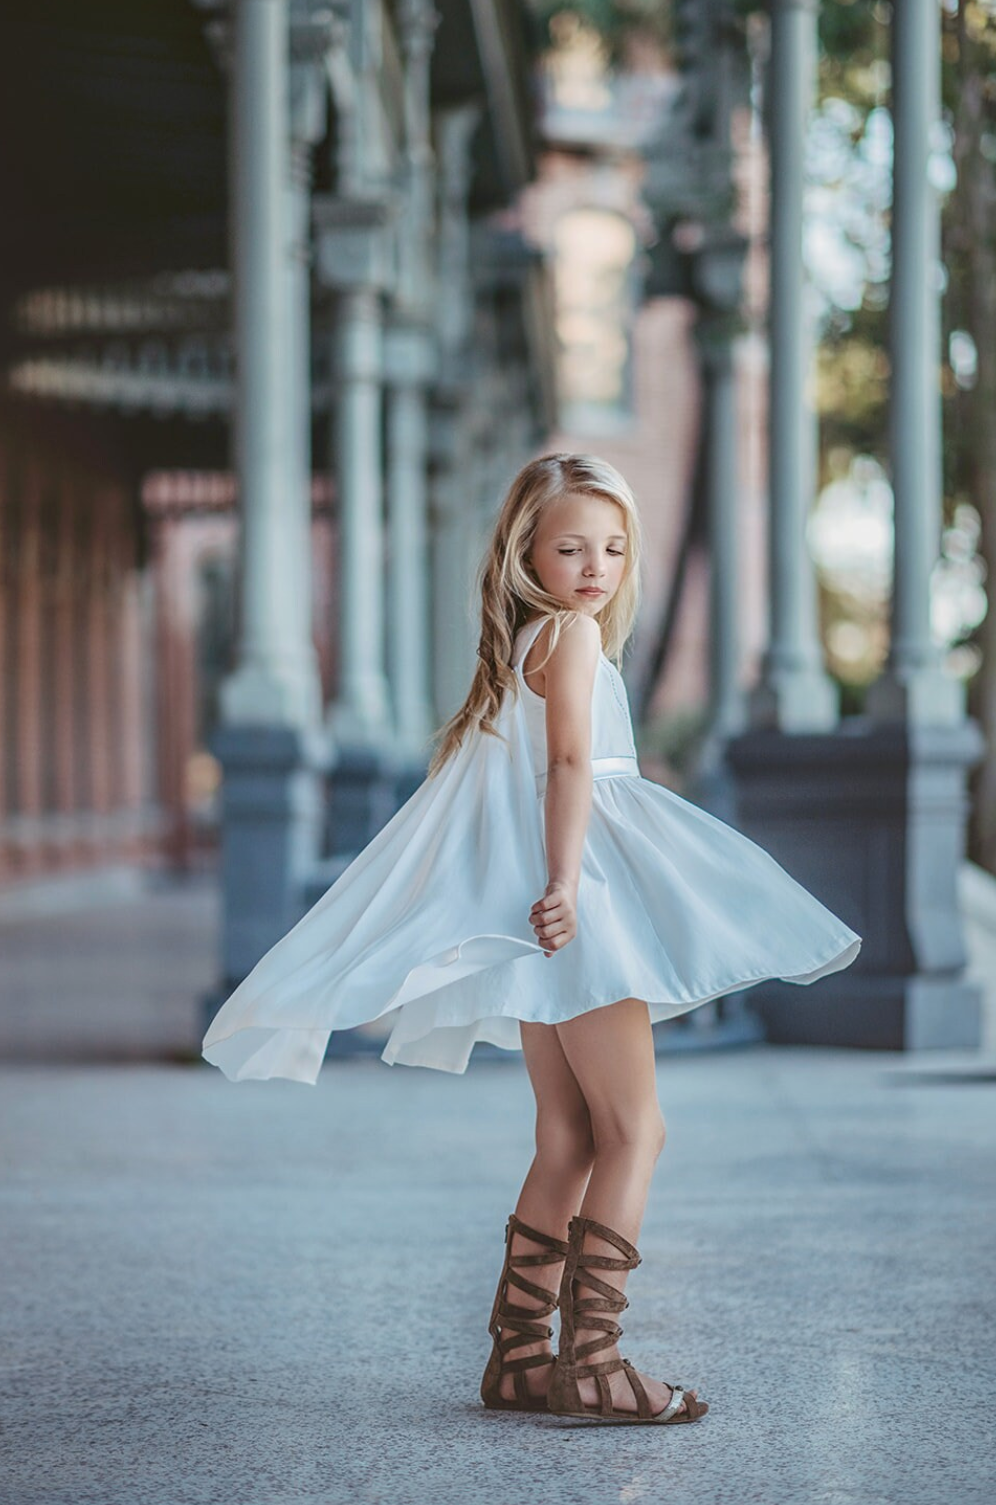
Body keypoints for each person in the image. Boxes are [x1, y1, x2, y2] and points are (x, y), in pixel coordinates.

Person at [202, 452, 861, 1426]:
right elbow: (565, 767)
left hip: (545, 906)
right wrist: (563, 882)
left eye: (614, 546)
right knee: (636, 1129)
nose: (596, 564)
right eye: (570, 545)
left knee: (568, 1133)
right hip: (577, 900)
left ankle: (517, 1356)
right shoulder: (576, 636)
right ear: (524, 551)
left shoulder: (527, 648)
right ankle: (592, 1360)